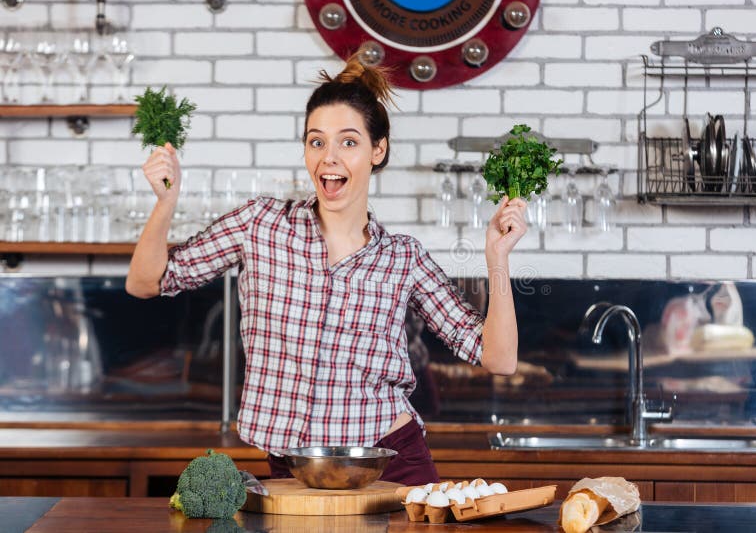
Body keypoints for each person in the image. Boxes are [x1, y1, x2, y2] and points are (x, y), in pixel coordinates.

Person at [125, 55, 529, 486]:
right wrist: (165, 203)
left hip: (388, 463)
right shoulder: (259, 225)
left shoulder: (402, 258)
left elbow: (499, 358)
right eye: (317, 142)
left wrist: (498, 260)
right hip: (296, 468)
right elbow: (146, 282)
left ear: (378, 149)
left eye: (348, 142)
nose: (329, 158)